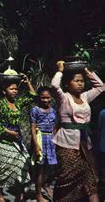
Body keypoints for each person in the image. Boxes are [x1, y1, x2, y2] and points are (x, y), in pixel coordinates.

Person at [51, 61, 103, 202]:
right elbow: (55, 85)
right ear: (68, 84)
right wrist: (60, 71)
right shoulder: (64, 98)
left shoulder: (85, 97)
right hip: (67, 145)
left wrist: (87, 71)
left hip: (85, 145)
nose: (80, 83)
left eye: (82, 81)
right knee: (66, 179)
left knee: (91, 179)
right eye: (76, 81)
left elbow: (100, 87)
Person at [0, 74, 35, 202]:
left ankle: (20, 195)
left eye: (16, 89)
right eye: (11, 89)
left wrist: (28, 83)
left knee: (23, 163)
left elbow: (33, 97)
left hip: (16, 141)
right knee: (3, 168)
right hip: (2, 141)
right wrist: (9, 132)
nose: (15, 91)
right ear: (4, 91)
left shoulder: (18, 103)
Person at [30, 86, 57, 202]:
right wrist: (36, 145)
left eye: (48, 98)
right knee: (39, 168)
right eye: (43, 98)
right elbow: (32, 128)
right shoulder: (35, 110)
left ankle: (44, 184)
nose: (46, 100)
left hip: (51, 140)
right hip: (40, 139)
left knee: (51, 165)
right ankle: (38, 194)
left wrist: (55, 141)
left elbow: (54, 127)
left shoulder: (53, 111)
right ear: (39, 98)